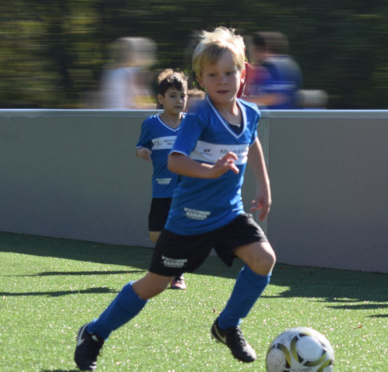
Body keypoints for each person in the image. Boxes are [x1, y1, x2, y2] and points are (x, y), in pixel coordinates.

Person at [74, 26, 276, 370]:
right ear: (200, 79)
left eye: (230, 72)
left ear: (243, 73)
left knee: (263, 259)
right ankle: (94, 333)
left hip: (229, 214)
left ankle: (226, 326)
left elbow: (251, 140)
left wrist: (264, 185)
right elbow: (175, 160)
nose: (223, 80)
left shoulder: (250, 113)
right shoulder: (198, 115)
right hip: (189, 219)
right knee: (154, 285)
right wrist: (210, 170)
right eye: (213, 74)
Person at [135, 68, 188, 290]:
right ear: (161, 99)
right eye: (173, 96)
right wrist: (142, 152)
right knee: (156, 234)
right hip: (161, 189)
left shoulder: (192, 124)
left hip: (186, 190)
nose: (178, 100)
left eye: (182, 96)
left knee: (180, 231)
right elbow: (141, 146)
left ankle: (177, 274)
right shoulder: (151, 124)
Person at [245, 31, 303, 109]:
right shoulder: (285, 64)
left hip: (278, 118)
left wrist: (241, 101)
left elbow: (278, 97)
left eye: (252, 49)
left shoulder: (276, 66)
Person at [99, 37, 157, 109]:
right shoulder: (132, 72)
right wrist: (153, 106)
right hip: (126, 115)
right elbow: (138, 99)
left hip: (111, 113)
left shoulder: (110, 71)